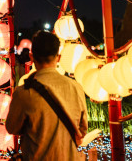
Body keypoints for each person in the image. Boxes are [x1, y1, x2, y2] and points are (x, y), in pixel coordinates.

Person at [5, 31, 88, 160]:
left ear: (32, 57)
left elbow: (12, 128)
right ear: (58, 57)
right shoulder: (75, 87)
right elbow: (83, 130)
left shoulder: (24, 92)